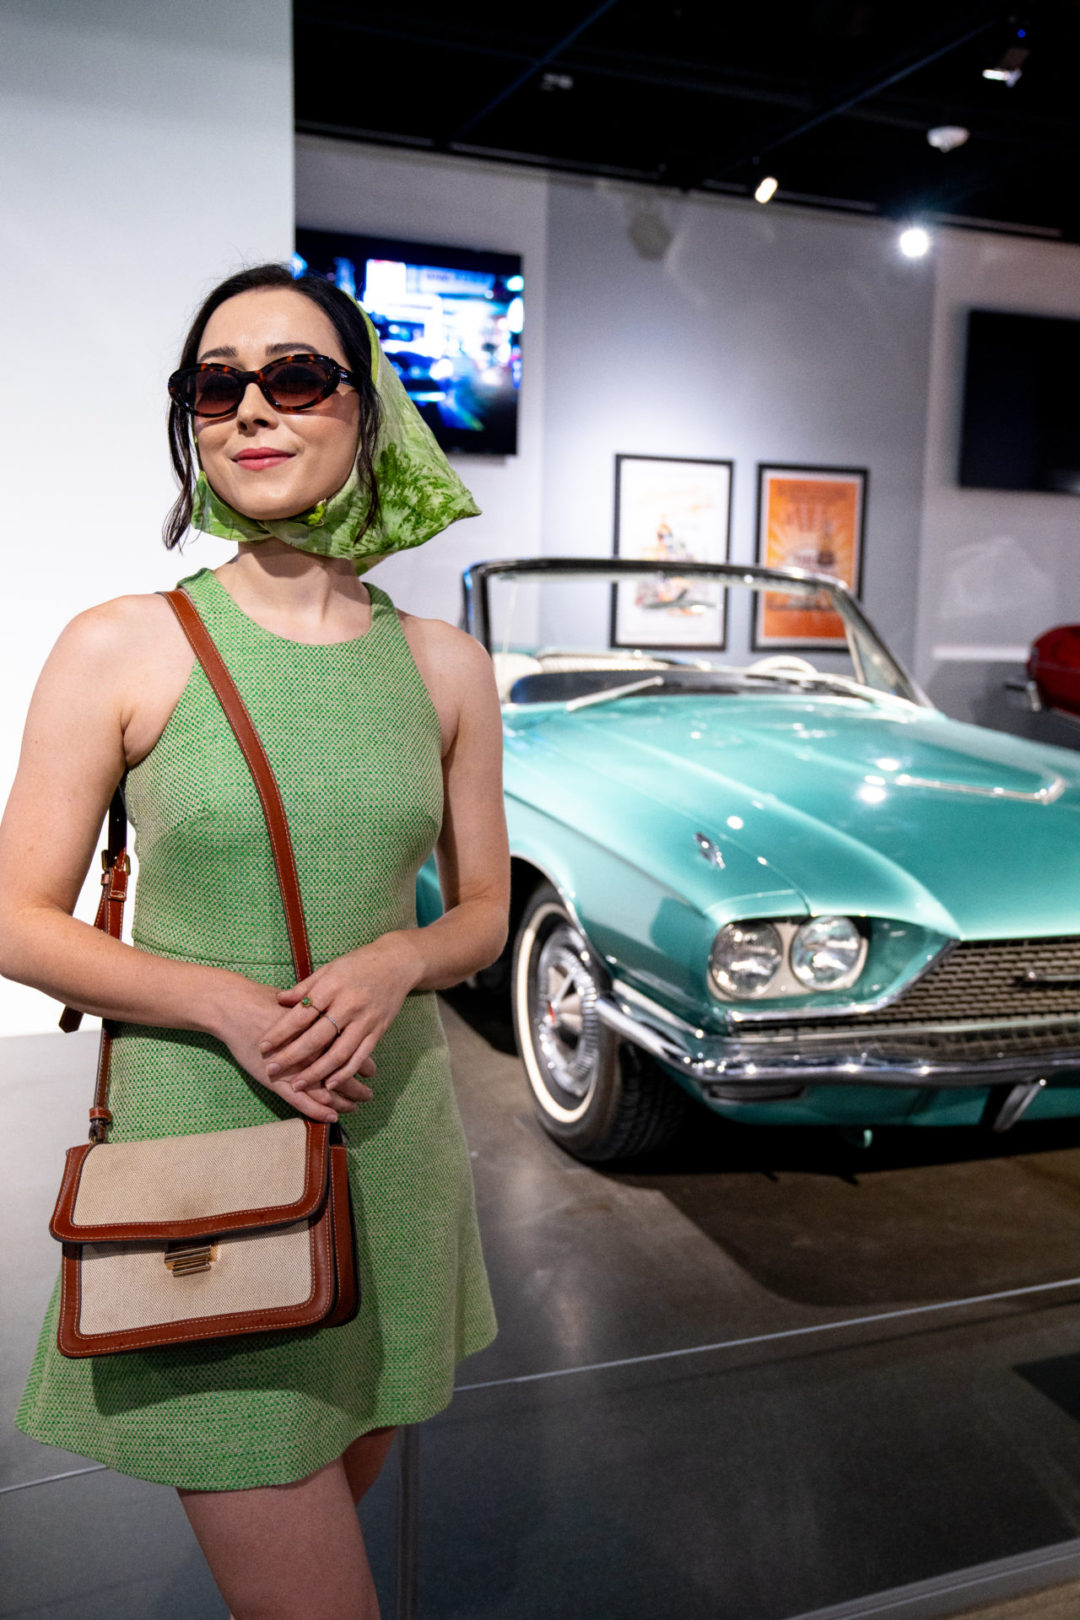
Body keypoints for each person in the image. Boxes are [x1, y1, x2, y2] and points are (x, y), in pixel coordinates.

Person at [0, 262, 509, 1620]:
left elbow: (481, 913)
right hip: (200, 1174)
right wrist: (224, 1004)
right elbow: (15, 918)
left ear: (366, 409)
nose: (251, 411)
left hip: (389, 1145)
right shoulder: (124, 646)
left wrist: (398, 958)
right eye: (214, 386)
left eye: (294, 377)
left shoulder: (445, 665)